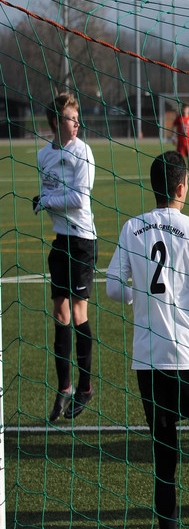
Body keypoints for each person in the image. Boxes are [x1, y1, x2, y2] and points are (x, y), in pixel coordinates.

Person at [105, 151, 189, 529]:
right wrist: (186, 321)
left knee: (164, 462)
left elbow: (113, 287)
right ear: (180, 186)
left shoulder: (131, 227)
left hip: (148, 362)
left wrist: (141, 302)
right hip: (188, 359)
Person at [33, 92, 97, 422]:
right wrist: (44, 199)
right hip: (61, 241)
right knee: (60, 312)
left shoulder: (82, 151)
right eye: (72, 119)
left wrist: (44, 202)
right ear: (56, 122)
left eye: (77, 119)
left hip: (83, 241)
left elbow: (78, 199)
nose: (77, 124)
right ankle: (65, 387)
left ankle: (86, 386)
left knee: (78, 310)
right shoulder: (43, 155)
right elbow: (48, 192)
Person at [171, 104, 189, 174]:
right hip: (181, 143)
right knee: (180, 160)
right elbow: (174, 127)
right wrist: (173, 137)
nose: (185, 110)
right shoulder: (179, 118)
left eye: (187, 109)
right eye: (184, 108)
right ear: (182, 109)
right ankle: (182, 175)